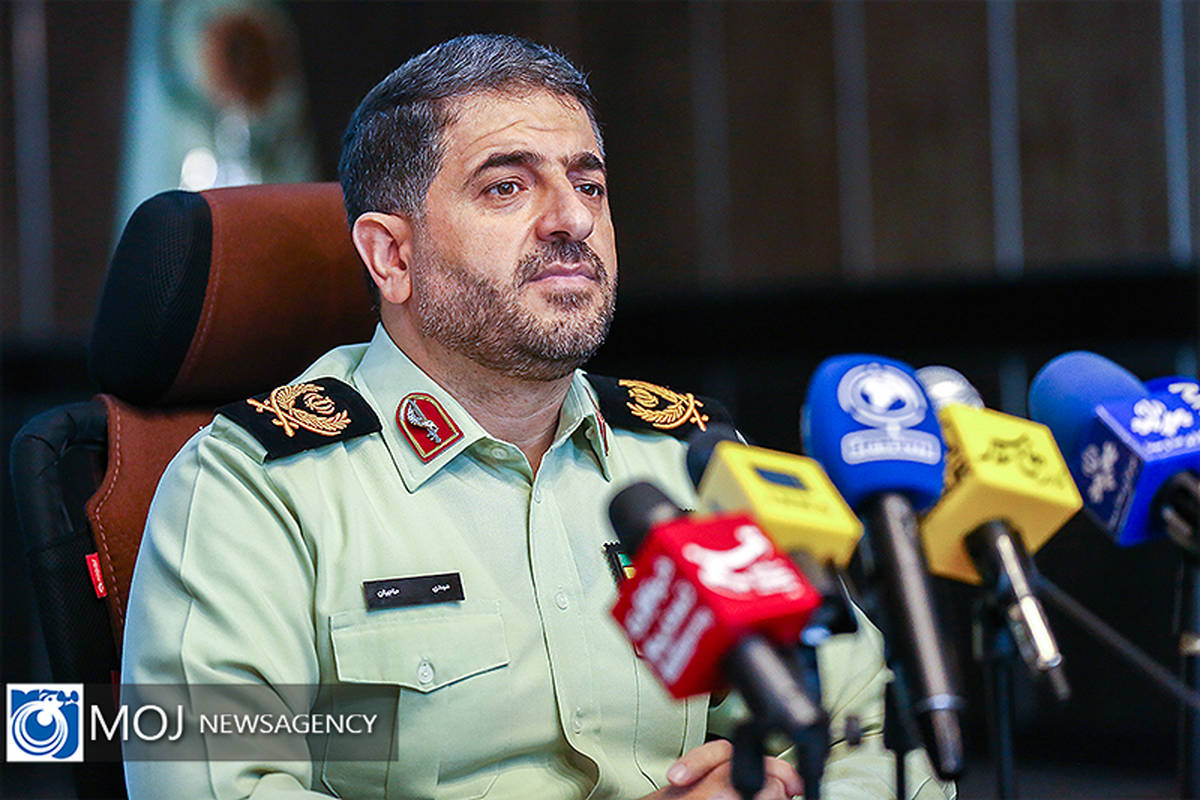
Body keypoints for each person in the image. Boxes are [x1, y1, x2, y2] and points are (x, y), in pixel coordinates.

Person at [122, 33, 954, 800]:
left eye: (588, 184)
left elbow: (883, 739)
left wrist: (791, 790)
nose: (574, 219)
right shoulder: (254, 486)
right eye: (507, 186)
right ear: (392, 255)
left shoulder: (689, 457)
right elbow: (215, 789)